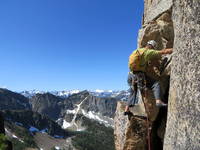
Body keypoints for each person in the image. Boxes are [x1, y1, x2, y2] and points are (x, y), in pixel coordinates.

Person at [124, 40, 173, 115]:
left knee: (133, 90)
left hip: (130, 75)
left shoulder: (138, 51)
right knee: (156, 84)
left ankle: (126, 109)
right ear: (152, 47)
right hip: (139, 76)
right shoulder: (149, 52)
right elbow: (163, 51)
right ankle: (158, 101)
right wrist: (176, 49)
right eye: (153, 48)